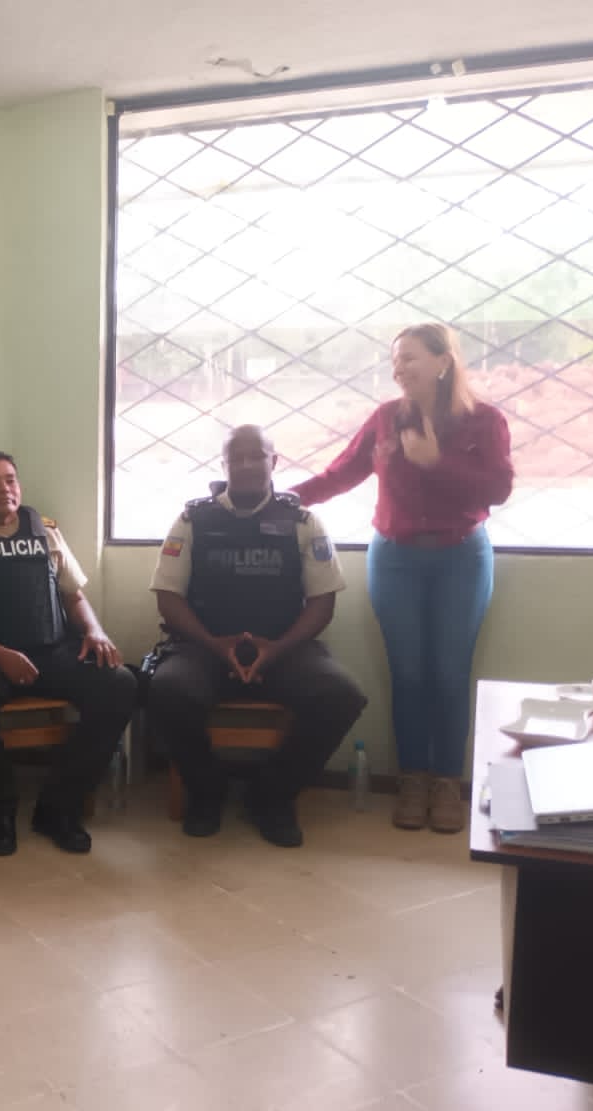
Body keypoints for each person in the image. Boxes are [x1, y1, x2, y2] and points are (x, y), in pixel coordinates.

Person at [291, 323, 513, 834]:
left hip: (461, 558)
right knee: (408, 675)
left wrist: (437, 462)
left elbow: (498, 490)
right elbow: (339, 475)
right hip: (395, 559)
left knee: (449, 675)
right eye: (395, 360)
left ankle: (446, 783)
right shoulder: (386, 419)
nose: (398, 368)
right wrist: (280, 499)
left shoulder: (484, 421)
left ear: (443, 361)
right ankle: (412, 780)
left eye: (409, 358)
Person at [146, 425, 368, 847]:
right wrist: (215, 645)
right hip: (205, 647)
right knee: (166, 690)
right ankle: (207, 794)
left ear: (274, 462)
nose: (246, 465)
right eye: (237, 457)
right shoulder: (192, 519)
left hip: (284, 648)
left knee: (342, 696)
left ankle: (271, 797)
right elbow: (168, 598)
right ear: (223, 464)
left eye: (257, 456)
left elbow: (322, 603)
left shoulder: (302, 520)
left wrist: (278, 649)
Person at [0, 451, 137, 857]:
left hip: (49, 651)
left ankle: (59, 808)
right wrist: (1, 655)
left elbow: (73, 595)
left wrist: (95, 630)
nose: (5, 489)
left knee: (120, 683)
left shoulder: (44, 530)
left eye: (11, 480)